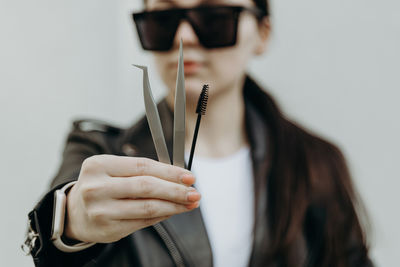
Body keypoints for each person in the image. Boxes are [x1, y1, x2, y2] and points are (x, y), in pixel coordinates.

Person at [24, 0, 374, 266]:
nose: (184, 38)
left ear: (263, 33)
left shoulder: (316, 163)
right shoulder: (99, 150)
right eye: (161, 21)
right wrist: (71, 224)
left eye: (214, 19)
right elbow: (61, 220)